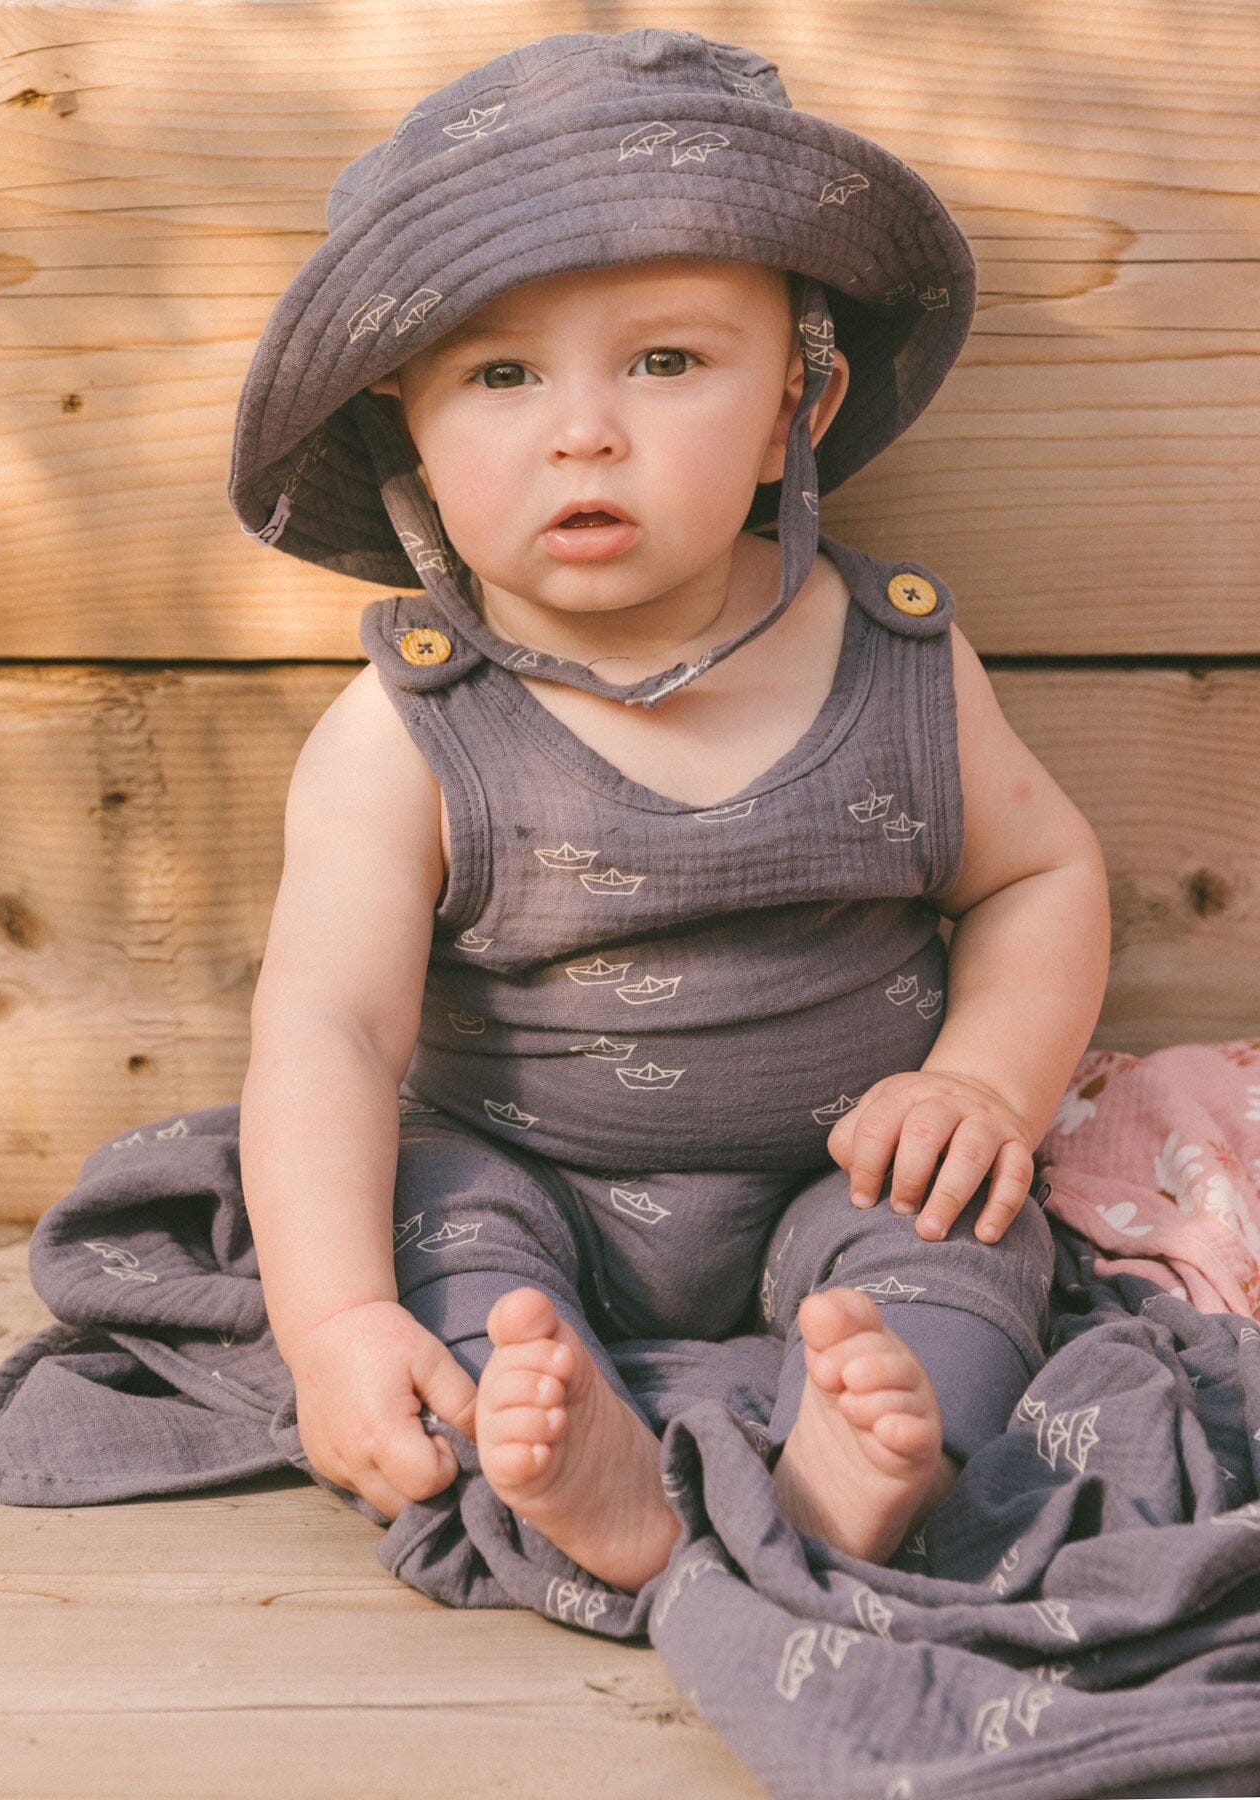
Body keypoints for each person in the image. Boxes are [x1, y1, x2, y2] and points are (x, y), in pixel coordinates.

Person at [228, 28, 1111, 1593]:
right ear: (410, 437)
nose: (586, 429)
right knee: (440, 1236)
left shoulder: (896, 657)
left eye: (666, 360)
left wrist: (982, 1084)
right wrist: (332, 1323)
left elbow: (1038, 872)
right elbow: (331, 1038)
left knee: (963, 1240)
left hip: (838, 1166)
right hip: (529, 1175)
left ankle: (872, 1465)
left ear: (797, 403)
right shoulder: (406, 734)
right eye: (501, 374)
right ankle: (578, 1468)